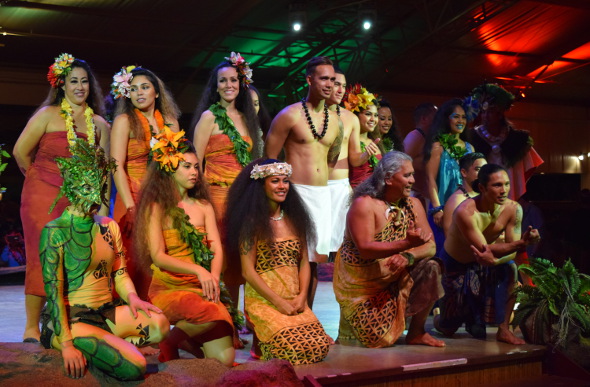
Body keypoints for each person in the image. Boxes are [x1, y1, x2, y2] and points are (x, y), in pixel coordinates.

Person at [39, 139, 168, 381]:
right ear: (71, 187)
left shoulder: (108, 226)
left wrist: (132, 298)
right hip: (72, 317)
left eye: (100, 187)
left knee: (160, 325)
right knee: (135, 366)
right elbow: (53, 292)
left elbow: (119, 273)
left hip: (105, 314)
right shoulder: (55, 231)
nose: (96, 196)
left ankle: (109, 341)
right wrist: (66, 344)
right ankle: (65, 338)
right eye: (88, 188)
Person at [13, 53, 110, 342]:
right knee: (41, 257)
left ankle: (60, 323)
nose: (80, 87)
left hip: (79, 201)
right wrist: (37, 178)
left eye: (84, 82)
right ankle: (32, 326)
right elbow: (20, 151)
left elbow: (102, 171)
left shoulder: (100, 125)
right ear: (62, 85)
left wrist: (102, 209)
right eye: (73, 82)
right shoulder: (47, 115)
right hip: (42, 195)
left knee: (72, 260)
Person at [134, 130, 235, 366]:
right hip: (169, 289)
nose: (194, 172)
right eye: (187, 166)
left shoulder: (204, 206)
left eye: (196, 167)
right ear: (169, 168)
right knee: (211, 312)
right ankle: (172, 339)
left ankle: (179, 337)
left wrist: (214, 278)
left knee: (224, 360)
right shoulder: (157, 207)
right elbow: (158, 257)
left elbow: (216, 249)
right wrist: (199, 271)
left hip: (203, 288)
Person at [333, 151, 445, 348]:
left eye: (412, 175)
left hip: (397, 272)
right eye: (407, 175)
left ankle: (417, 332)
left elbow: (431, 246)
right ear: (388, 178)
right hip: (363, 285)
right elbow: (366, 249)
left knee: (432, 266)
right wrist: (406, 244)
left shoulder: (413, 204)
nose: (412, 180)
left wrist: (408, 256)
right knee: (377, 340)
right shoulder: (364, 205)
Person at [225, 159, 331, 364]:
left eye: (285, 181)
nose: (282, 187)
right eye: (275, 181)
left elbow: (303, 263)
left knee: (319, 347)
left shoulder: (295, 219)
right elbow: (247, 272)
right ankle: (260, 346)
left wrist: (302, 297)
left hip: (293, 299)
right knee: (290, 350)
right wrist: (278, 302)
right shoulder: (252, 223)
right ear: (261, 185)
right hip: (265, 300)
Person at [264, 56, 341, 308]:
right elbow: (269, 160)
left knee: (315, 260)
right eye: (323, 79)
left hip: (322, 195)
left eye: (332, 79)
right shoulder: (289, 115)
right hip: (296, 192)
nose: (329, 84)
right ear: (309, 79)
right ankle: (287, 312)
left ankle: (307, 316)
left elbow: (331, 158)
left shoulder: (335, 121)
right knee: (294, 257)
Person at [436, 164, 541, 344]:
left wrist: (501, 257)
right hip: (455, 264)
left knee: (510, 269)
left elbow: (505, 251)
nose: (504, 190)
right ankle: (440, 316)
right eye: (497, 185)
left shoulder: (513, 209)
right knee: (448, 327)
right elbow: (485, 250)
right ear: (482, 188)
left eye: (506, 184)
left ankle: (504, 329)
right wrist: (521, 244)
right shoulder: (465, 212)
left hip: (485, 263)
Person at [192, 53, 262, 317]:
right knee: (218, 257)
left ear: (241, 83)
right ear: (216, 85)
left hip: (243, 198)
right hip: (217, 197)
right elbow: (195, 162)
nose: (229, 85)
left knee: (237, 258)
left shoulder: (247, 119)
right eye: (223, 81)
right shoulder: (209, 117)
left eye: (233, 79)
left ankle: (233, 316)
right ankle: (216, 316)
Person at [110, 66, 181, 299]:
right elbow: (116, 165)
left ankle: (158, 314)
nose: (139, 93)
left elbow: (175, 164)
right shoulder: (124, 121)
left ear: (156, 92)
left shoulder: (170, 122)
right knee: (132, 258)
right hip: (131, 195)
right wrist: (130, 206)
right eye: (133, 89)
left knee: (160, 255)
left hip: (162, 198)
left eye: (145, 87)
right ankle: (129, 317)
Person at [326, 68, 380, 256]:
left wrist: (366, 155)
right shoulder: (308, 115)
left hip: (341, 187)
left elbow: (355, 159)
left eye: (342, 85)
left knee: (343, 244)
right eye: (335, 84)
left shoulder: (350, 119)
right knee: (317, 247)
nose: (340, 89)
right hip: (316, 184)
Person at [466, 83, 543, 200]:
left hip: (508, 195)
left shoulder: (517, 139)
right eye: (483, 112)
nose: (485, 116)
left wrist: (518, 183)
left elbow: (532, 165)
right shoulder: (471, 137)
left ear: (500, 114)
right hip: (481, 196)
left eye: (490, 112)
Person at [423, 98, 474, 253]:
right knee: (444, 250)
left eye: (463, 117)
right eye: (456, 116)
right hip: (443, 207)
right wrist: (437, 208)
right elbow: (429, 178)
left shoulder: (469, 148)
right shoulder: (438, 146)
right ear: (447, 119)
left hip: (465, 207)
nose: (460, 121)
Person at [343, 84, 382, 188]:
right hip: (356, 196)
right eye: (368, 114)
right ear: (355, 115)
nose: (373, 119)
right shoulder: (349, 142)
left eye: (376, 115)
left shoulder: (374, 141)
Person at [442, 152, 487, 235]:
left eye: (485, 169)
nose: (484, 174)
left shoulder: (484, 195)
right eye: (478, 169)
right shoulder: (456, 201)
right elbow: (450, 236)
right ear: (464, 172)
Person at [403, 102, 437, 207]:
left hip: (424, 196)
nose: (439, 121)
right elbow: (403, 165)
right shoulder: (415, 137)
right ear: (424, 119)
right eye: (436, 117)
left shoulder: (427, 138)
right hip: (415, 195)